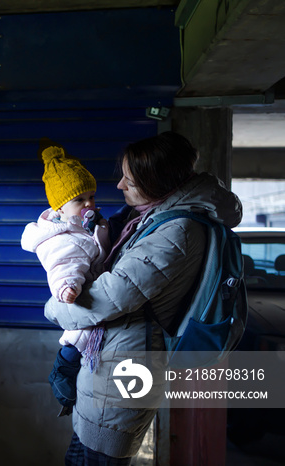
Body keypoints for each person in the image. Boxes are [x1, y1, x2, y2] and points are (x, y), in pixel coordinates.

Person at [44, 131, 242, 464]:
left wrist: (53, 308)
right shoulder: (152, 217)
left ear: (159, 183)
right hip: (111, 367)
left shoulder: (176, 231)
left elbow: (110, 297)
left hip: (121, 376)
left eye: (129, 180)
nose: (120, 186)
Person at [21, 141, 110, 416]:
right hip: (77, 295)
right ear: (59, 208)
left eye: (91, 196)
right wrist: (67, 288)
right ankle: (62, 371)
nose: (88, 204)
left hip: (91, 289)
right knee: (77, 343)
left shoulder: (81, 227)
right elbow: (63, 266)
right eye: (79, 200)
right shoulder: (62, 239)